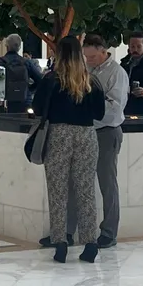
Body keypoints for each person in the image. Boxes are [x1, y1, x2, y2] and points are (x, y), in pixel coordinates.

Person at [33, 36, 106, 264]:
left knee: (58, 191)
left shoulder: (51, 80)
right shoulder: (91, 81)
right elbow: (100, 114)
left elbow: (37, 108)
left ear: (59, 55)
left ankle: (61, 243)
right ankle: (90, 243)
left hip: (59, 135)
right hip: (86, 135)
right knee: (85, 191)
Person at [84, 34, 129, 248]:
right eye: (86, 57)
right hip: (85, 132)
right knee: (80, 183)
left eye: (92, 56)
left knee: (107, 184)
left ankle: (109, 232)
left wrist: (86, 115)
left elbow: (113, 109)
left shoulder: (117, 73)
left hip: (106, 133)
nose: (89, 60)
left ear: (104, 51)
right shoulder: (87, 70)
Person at [0, 34, 43, 113]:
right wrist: (29, 90)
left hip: (5, 103)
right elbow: (40, 80)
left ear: (6, 46)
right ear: (19, 47)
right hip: (25, 101)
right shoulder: (27, 63)